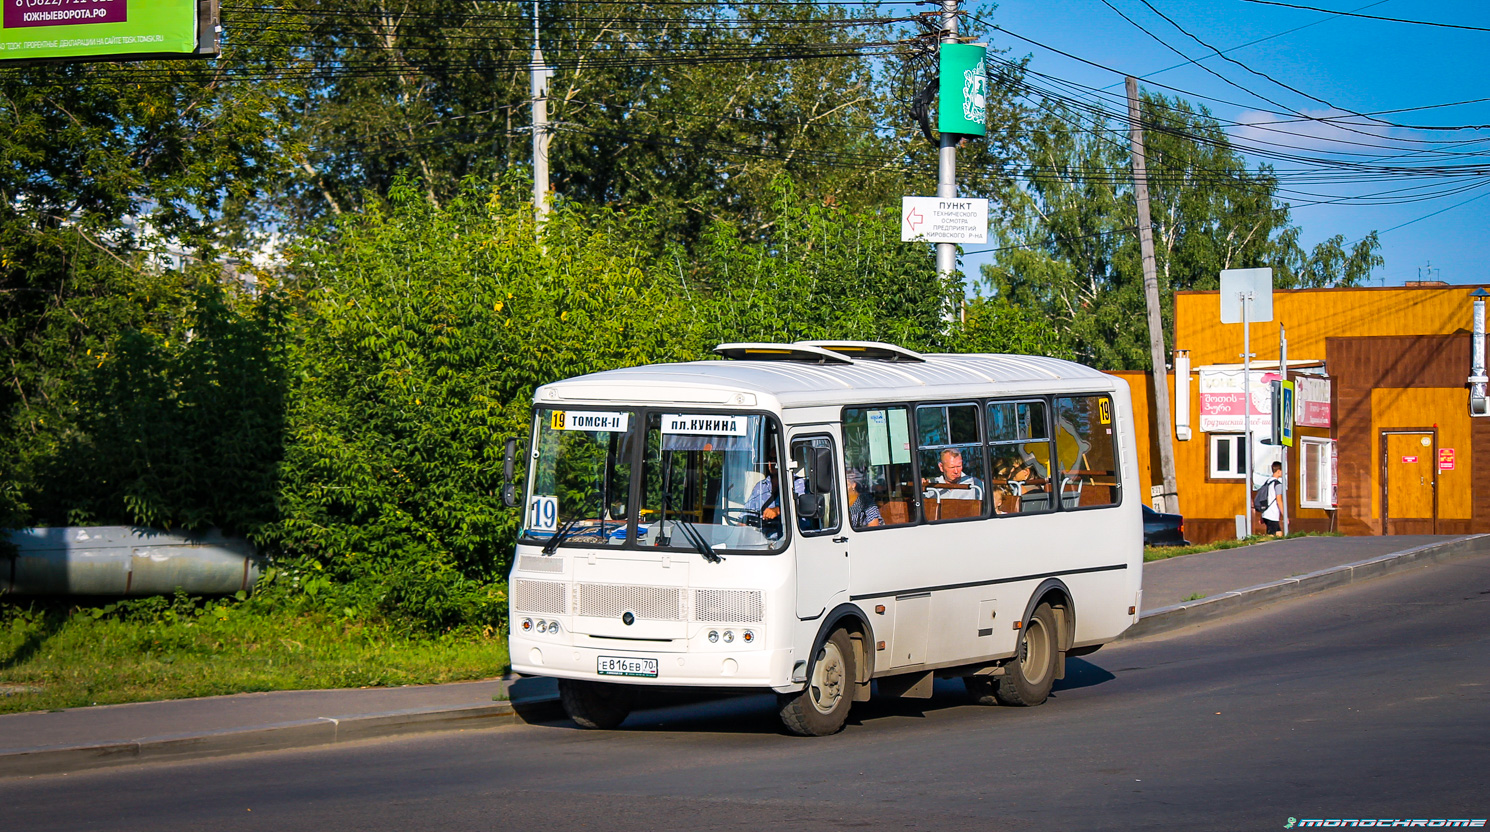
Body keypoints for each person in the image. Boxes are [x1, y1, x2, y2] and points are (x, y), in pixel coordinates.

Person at [1260, 460, 1284, 537]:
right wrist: (1285, 515)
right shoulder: (1277, 484)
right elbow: (1279, 500)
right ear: (1279, 471)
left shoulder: (1267, 482)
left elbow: (1264, 498)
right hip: (1272, 513)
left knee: (1278, 533)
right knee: (1272, 535)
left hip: (1266, 512)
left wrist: (1262, 514)